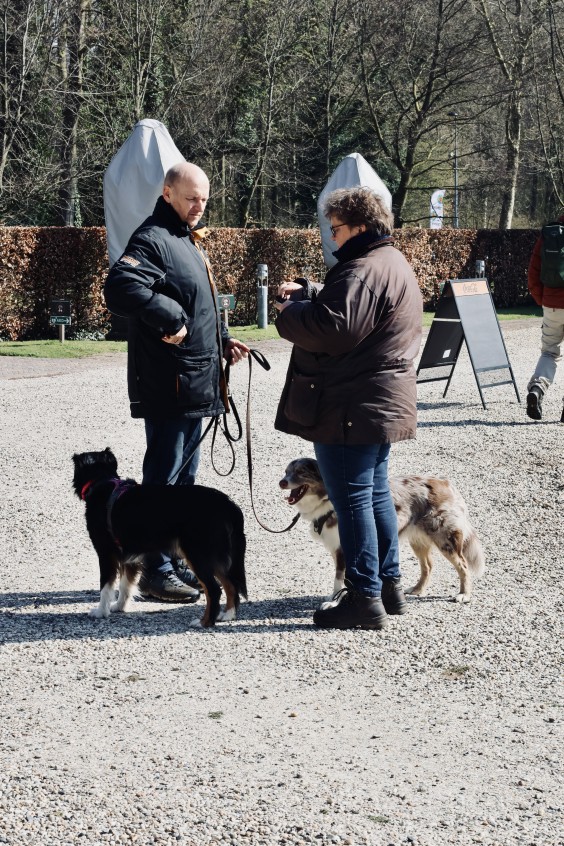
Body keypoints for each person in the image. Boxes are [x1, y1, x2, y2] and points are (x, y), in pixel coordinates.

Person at [274, 187, 423, 630]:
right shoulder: (390, 261)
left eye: (337, 229)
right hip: (377, 402)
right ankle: (388, 585)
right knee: (374, 492)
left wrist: (290, 311)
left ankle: (363, 597)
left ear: (360, 225)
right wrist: (315, 289)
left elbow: (334, 328)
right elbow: (358, 305)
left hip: (349, 405)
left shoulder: (361, 269)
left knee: (353, 497)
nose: (333, 239)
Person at [104, 162, 249, 602]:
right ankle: (153, 571)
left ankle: (177, 560)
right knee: (162, 484)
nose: (199, 206)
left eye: (204, 199)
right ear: (167, 193)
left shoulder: (185, 239)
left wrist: (223, 341)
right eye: (190, 198)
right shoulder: (152, 238)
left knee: (184, 484)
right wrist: (168, 316)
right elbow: (120, 287)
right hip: (169, 387)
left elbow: (197, 305)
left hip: (195, 383)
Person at [525, 214, 564, 423]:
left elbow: (534, 269)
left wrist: (542, 298)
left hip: (552, 304)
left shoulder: (550, 232)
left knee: (549, 351)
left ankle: (538, 388)